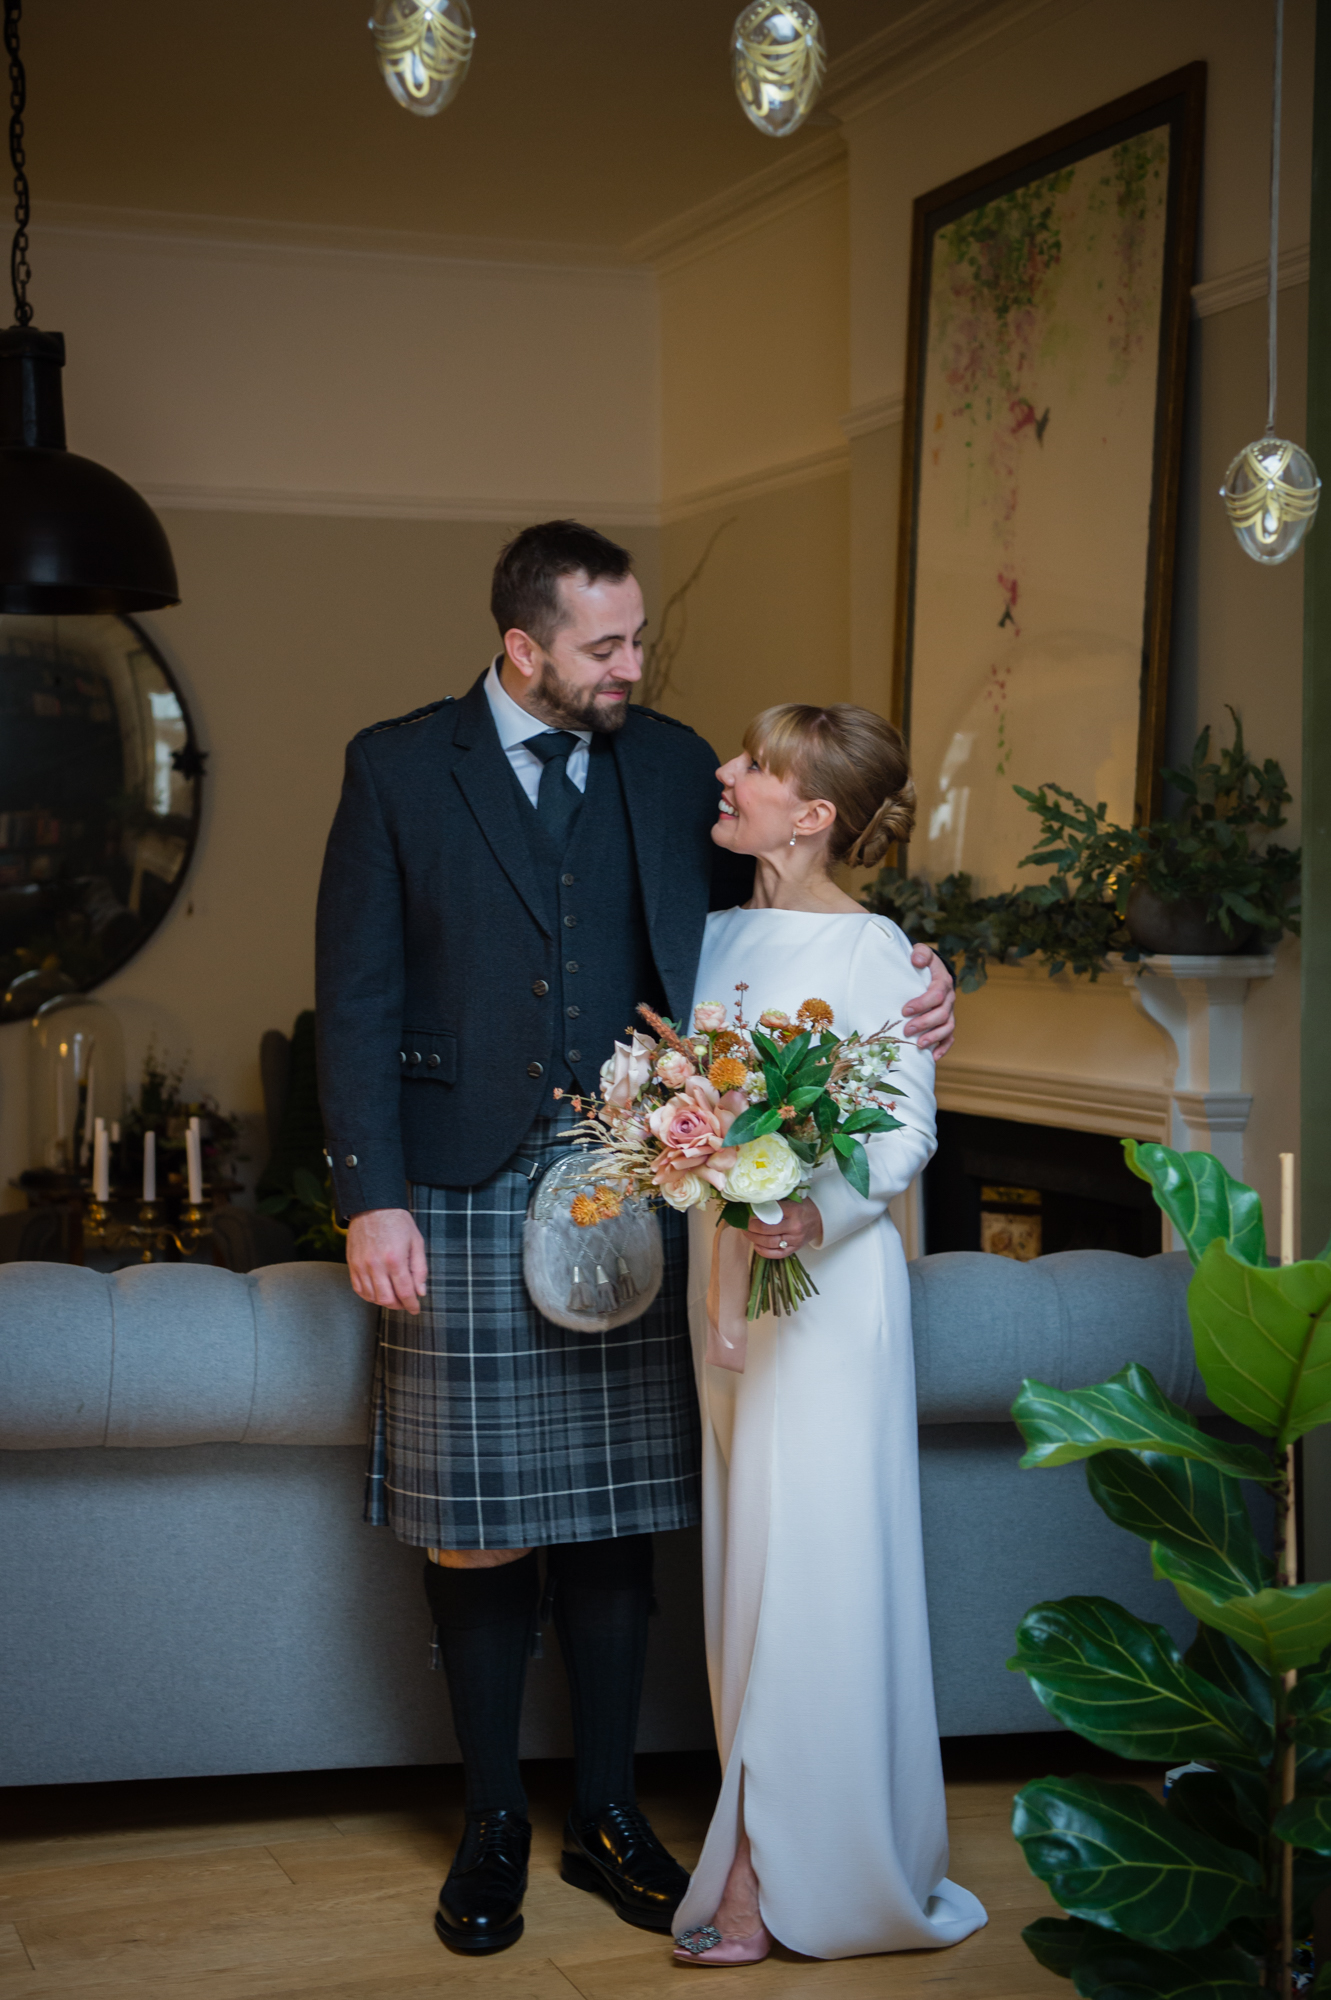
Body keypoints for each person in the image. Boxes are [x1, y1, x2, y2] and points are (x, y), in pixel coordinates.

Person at [314, 523, 958, 1959]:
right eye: (605, 645)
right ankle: (491, 1821)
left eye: (639, 638)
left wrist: (923, 973)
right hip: (460, 1183)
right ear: (521, 645)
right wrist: (371, 1194)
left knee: (610, 1522)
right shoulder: (399, 765)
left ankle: (606, 1815)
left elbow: (806, 924)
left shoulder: (672, 767)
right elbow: (351, 993)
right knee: (476, 1531)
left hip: (643, 1184)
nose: (634, 667)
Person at [671, 703, 987, 1965]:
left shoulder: (880, 956)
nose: (725, 770)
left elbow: (904, 1135)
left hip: (827, 1291)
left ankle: (766, 1873)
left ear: (811, 814)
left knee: (810, 1575)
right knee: (744, 1571)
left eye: (754, 763)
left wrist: (812, 1208)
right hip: (723, 1285)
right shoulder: (699, 925)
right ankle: (757, 1830)